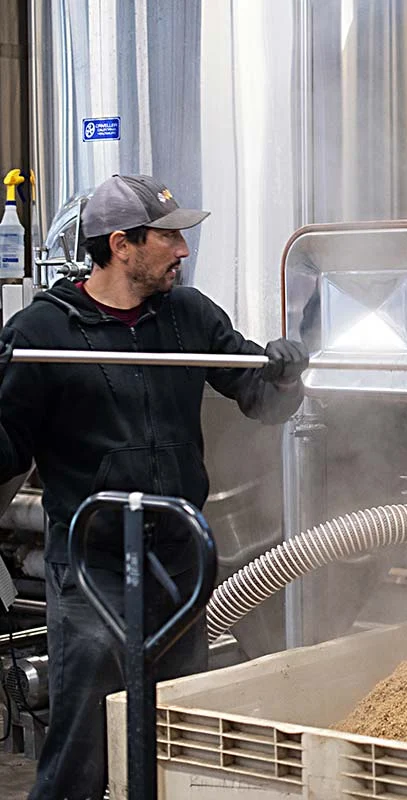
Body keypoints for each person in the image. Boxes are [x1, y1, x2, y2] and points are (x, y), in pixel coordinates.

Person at [0, 174, 307, 800]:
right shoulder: (43, 334)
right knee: (82, 751)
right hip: (94, 568)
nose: (184, 251)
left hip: (177, 563)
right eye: (170, 237)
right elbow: (6, 449)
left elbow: (260, 399)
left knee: (175, 738)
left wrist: (285, 374)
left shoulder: (187, 315)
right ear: (122, 244)